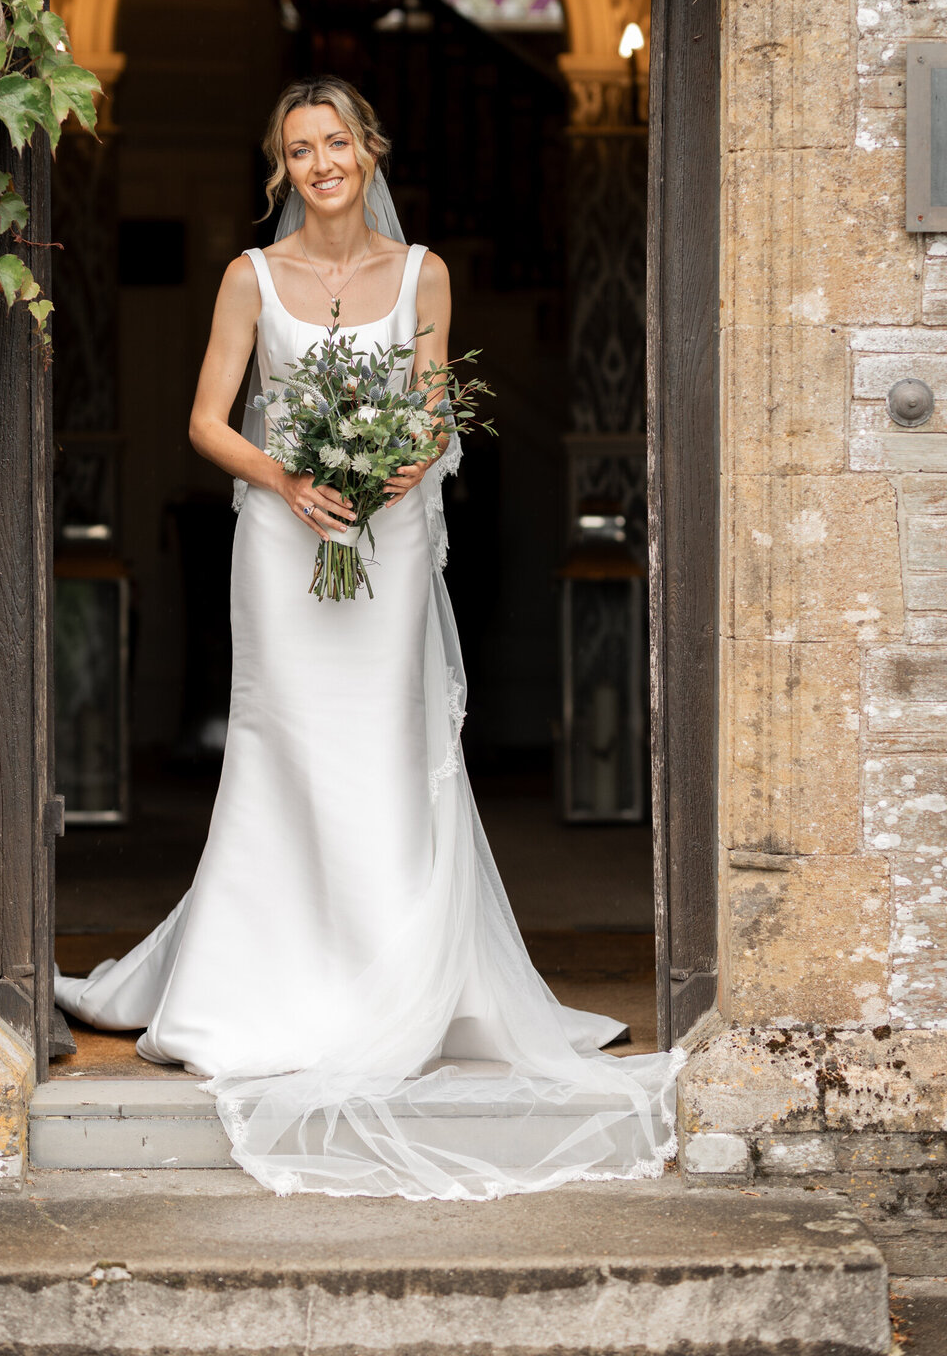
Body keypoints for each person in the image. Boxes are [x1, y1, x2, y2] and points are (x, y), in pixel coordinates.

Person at [56, 74, 682, 1199]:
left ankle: (398, 988)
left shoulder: (425, 272)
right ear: (281, 167)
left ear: (369, 149)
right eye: (298, 148)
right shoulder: (250, 277)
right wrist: (289, 479)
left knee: (386, 753)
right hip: (281, 545)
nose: (320, 162)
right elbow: (206, 418)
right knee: (284, 748)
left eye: (334, 141)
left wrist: (401, 463)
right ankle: (270, 983)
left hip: (387, 547)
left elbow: (434, 408)